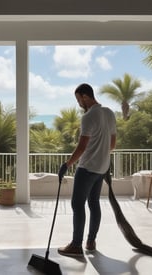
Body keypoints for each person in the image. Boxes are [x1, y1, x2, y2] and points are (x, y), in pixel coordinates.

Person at [57, 83, 116, 257]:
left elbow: (82, 147)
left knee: (77, 204)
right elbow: (112, 144)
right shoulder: (109, 113)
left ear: (85, 96)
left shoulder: (89, 116)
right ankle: (91, 241)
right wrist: (101, 156)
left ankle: (76, 245)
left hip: (87, 167)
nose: (79, 104)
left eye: (78, 99)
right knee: (94, 203)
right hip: (102, 168)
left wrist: (67, 164)